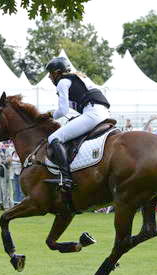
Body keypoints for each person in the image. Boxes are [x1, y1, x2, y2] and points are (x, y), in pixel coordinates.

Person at [43, 56, 110, 192]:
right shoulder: (80, 77)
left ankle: (66, 178)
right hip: (103, 112)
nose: (49, 78)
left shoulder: (63, 82)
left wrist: (50, 115)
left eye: (50, 74)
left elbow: (63, 110)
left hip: (92, 113)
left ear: (57, 72)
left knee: (54, 138)